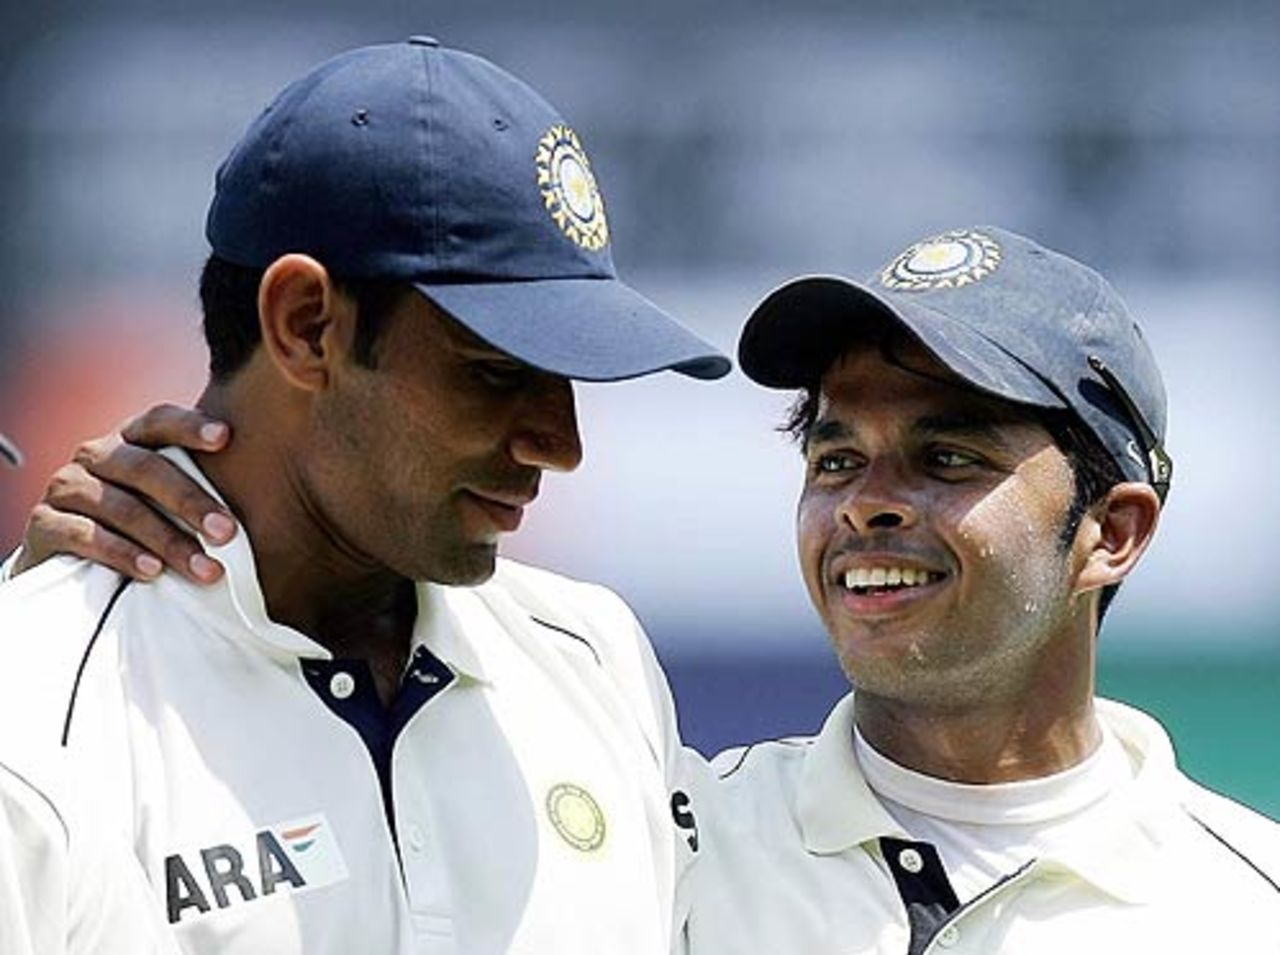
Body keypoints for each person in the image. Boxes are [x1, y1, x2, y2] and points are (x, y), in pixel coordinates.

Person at [0, 35, 728, 953]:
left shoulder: (595, 655)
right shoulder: (35, 702)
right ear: (306, 326)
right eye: (497, 372)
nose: (564, 444)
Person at [672, 226, 1280, 952]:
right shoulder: (677, 846)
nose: (865, 503)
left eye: (948, 458)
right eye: (837, 460)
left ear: (1112, 531)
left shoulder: (1248, 908)